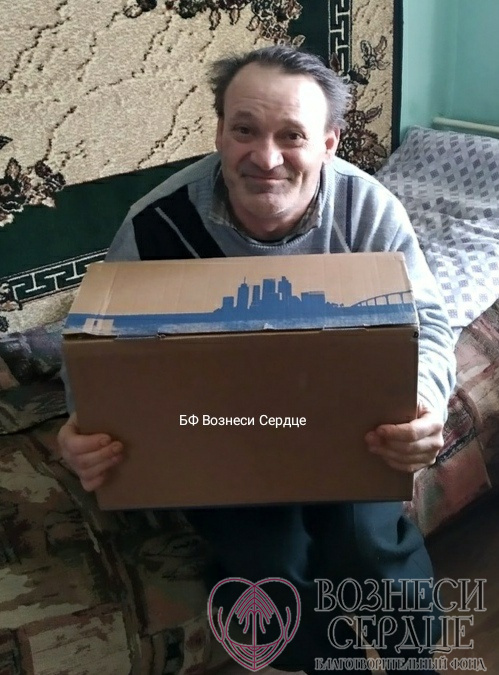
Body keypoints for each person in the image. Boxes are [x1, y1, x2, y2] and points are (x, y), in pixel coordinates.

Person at [58, 46, 456, 674]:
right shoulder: (158, 224)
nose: (266, 158)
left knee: (366, 545)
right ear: (220, 131)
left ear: (328, 143)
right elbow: (96, 343)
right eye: (245, 130)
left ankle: (415, 662)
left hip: (347, 428)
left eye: (291, 136)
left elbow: (427, 319)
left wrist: (426, 401)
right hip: (219, 437)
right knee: (267, 563)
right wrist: (80, 425)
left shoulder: (366, 207)